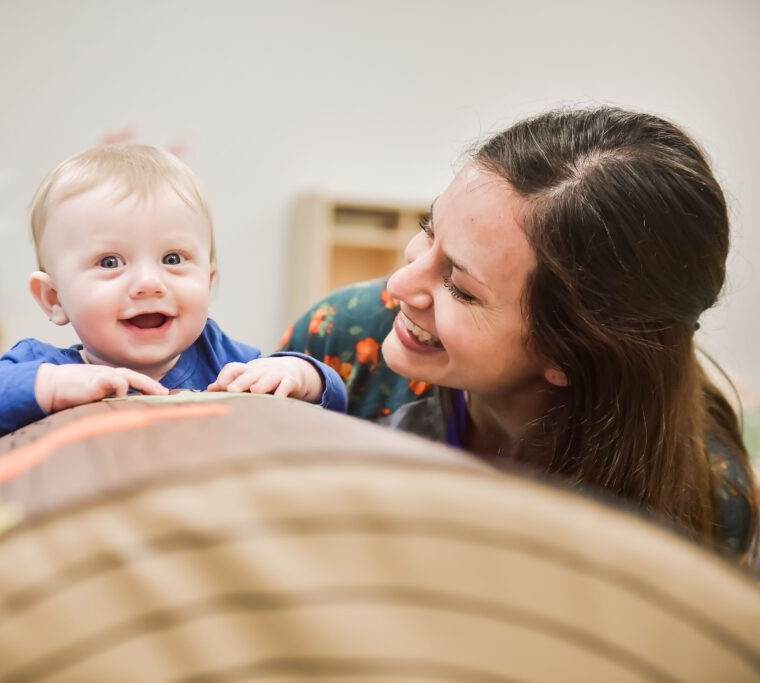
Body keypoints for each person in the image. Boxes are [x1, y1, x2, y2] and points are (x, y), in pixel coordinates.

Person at [282, 106, 757, 567]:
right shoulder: (345, 340)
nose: (398, 286)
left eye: (461, 289)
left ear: (569, 354)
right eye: (429, 229)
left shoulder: (706, 510)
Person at [0, 144, 346, 461]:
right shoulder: (47, 370)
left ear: (208, 280)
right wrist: (46, 388)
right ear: (53, 298)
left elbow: (336, 404)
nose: (147, 283)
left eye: (173, 259)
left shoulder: (220, 360)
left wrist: (299, 373)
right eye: (109, 262)